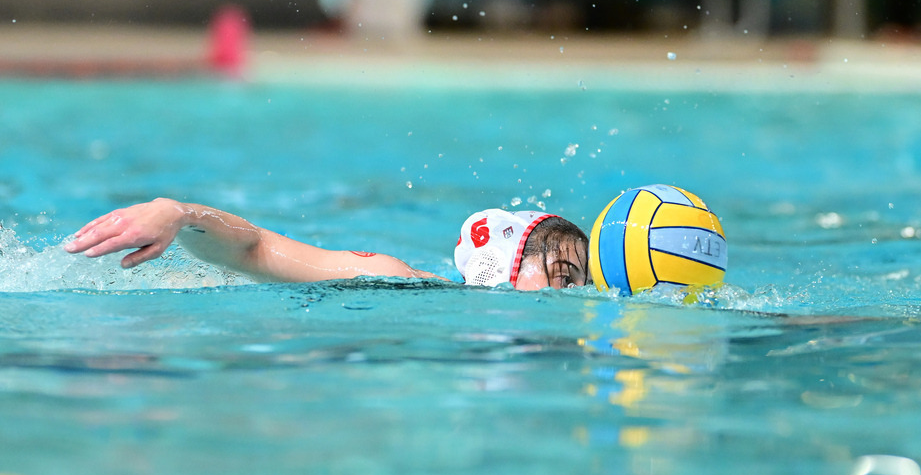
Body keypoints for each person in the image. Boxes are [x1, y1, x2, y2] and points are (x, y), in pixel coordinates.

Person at [64, 198, 590, 290]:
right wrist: (177, 213)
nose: (573, 293)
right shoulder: (396, 279)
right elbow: (257, 250)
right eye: (563, 276)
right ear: (501, 263)